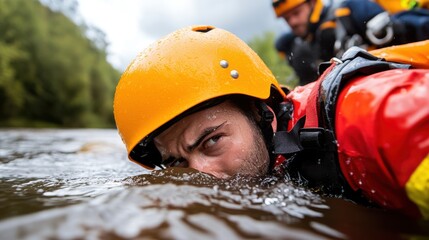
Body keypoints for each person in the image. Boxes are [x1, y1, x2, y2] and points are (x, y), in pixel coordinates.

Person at [113, 25, 429, 219]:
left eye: (212, 140)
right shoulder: (272, 157)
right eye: (179, 163)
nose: (203, 177)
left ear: (259, 110)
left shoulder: (369, 116)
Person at [273, 0, 429, 86]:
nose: (292, 22)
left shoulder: (351, 11)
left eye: (296, 13)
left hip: (402, 84)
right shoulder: (299, 48)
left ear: (313, 3)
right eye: (287, 18)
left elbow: (414, 27)